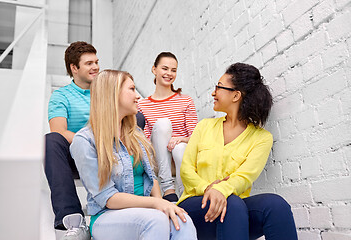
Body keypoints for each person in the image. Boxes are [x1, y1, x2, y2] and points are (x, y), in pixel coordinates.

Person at [69, 70, 197, 240]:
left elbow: (151, 177)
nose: (138, 96)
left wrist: (162, 204)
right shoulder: (85, 141)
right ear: (112, 94)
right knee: (156, 220)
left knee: (183, 221)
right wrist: (155, 203)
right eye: (131, 89)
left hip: (146, 211)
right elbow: (107, 198)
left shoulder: (135, 133)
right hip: (107, 215)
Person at [177, 63, 298, 240]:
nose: (213, 92)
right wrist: (210, 188)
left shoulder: (261, 138)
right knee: (232, 202)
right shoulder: (204, 126)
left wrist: (222, 190)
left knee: (276, 205)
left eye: (218, 87)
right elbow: (186, 170)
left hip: (235, 214)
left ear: (236, 95)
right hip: (196, 207)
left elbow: (244, 176)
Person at [44, 41, 146, 240]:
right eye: (89, 63)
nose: (96, 67)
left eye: (97, 62)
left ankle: (137, 195)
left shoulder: (107, 91)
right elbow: (59, 131)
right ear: (74, 68)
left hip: (114, 150)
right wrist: (95, 142)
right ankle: (71, 220)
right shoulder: (61, 96)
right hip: (81, 155)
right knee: (51, 141)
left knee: (138, 118)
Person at [138, 52, 198, 202]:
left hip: (182, 155)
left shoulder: (186, 101)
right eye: (165, 68)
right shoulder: (142, 105)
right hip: (159, 159)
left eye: (173, 70)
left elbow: (196, 137)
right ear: (154, 70)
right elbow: (144, 140)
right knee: (163, 123)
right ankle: (168, 189)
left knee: (179, 148)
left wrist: (180, 140)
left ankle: (186, 196)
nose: (169, 73)